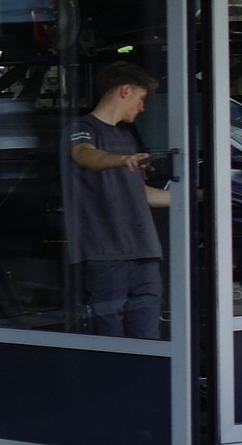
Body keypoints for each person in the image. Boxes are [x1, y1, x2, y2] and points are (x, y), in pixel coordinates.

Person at [66, 59, 168, 337]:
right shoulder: (83, 128)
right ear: (125, 90)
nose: (142, 106)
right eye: (141, 97)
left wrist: (199, 197)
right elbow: (86, 156)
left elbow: (141, 194)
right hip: (106, 253)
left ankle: (144, 380)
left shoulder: (127, 136)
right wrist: (123, 160)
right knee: (109, 334)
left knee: (148, 334)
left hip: (144, 250)